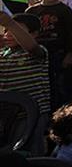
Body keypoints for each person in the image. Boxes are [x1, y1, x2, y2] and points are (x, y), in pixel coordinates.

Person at [0, 12, 50, 155]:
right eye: (6, 30)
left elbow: (32, 48)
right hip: (6, 114)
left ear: (34, 34)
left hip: (32, 114)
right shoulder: (2, 54)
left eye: (16, 30)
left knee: (29, 150)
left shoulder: (37, 52)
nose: (9, 34)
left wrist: (10, 23)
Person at [26, 0, 72, 110]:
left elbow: (71, 34)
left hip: (58, 54)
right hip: (36, 55)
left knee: (59, 87)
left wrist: (70, 54)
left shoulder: (65, 11)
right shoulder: (32, 11)